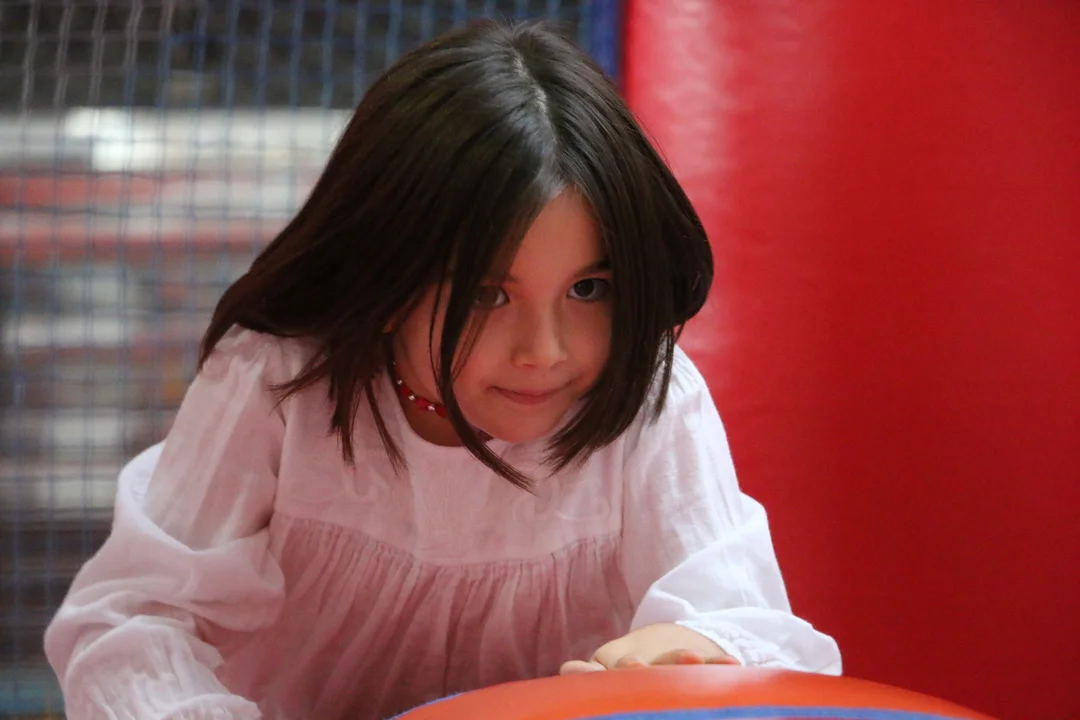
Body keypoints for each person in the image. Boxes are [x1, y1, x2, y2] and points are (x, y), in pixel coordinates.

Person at [44, 19, 841, 720]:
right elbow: (134, 620)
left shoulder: (644, 393)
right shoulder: (281, 379)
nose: (546, 350)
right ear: (388, 278)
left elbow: (747, 624)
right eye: (489, 295)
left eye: (588, 289)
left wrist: (694, 649)